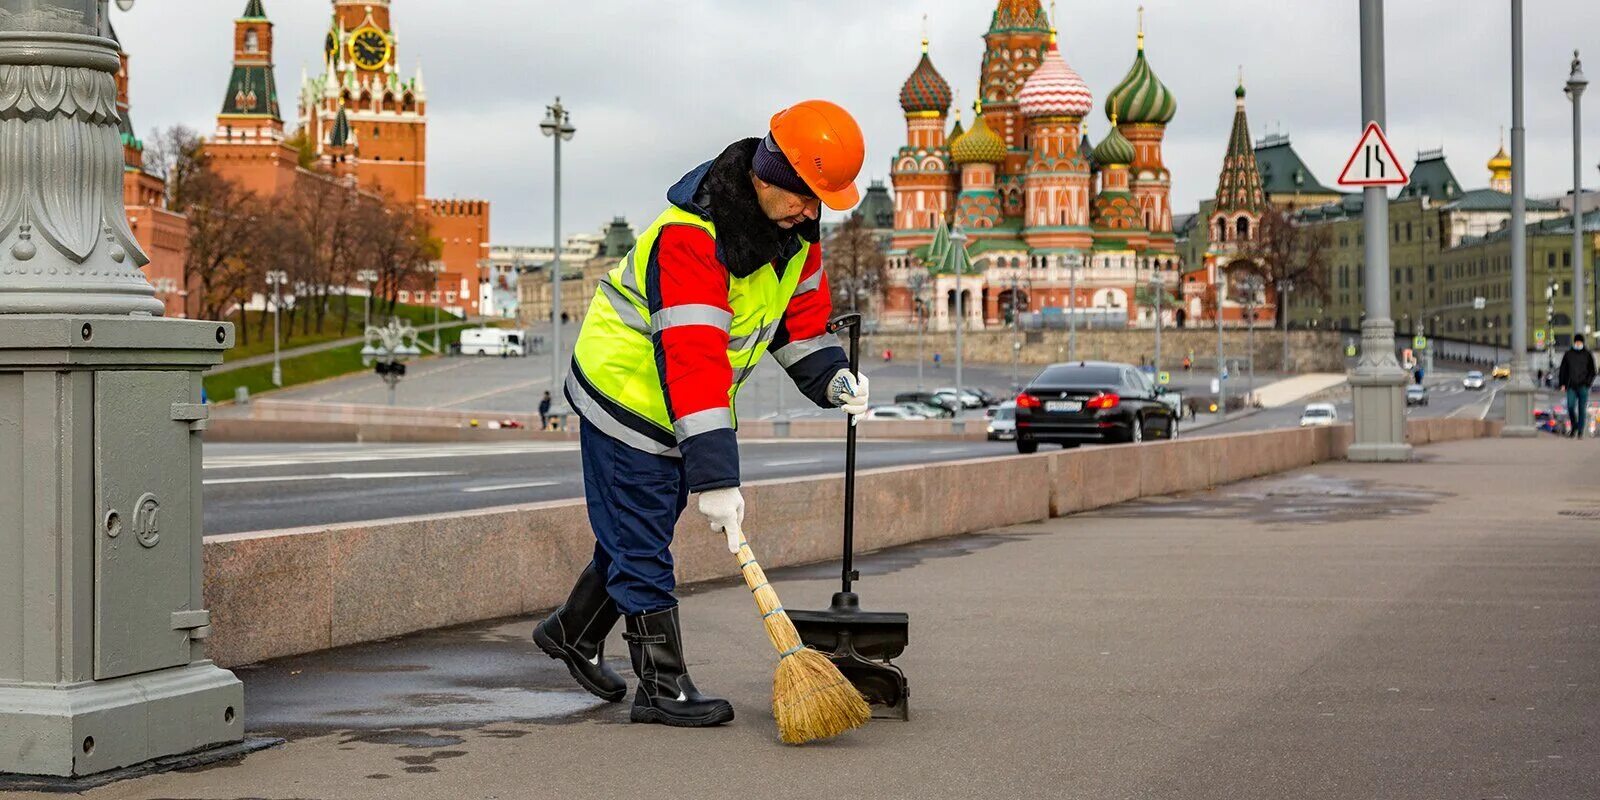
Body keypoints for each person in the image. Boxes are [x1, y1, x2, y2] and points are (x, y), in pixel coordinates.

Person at [532, 100, 870, 729]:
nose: (813, 212)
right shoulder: (691, 238)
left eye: (823, 200)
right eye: (806, 195)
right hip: (628, 395)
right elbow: (694, 360)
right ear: (767, 178)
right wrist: (717, 476)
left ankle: (572, 632)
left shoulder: (794, 232)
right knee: (644, 541)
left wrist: (834, 381)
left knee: (639, 530)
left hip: (677, 404)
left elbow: (798, 326)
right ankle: (661, 685)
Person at [1557, 334, 1596, 438]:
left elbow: (1592, 371)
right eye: (1576, 342)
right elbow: (1563, 370)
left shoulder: (1587, 354)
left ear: (1582, 343)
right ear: (1574, 342)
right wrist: (1562, 384)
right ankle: (1574, 427)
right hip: (1571, 386)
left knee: (1582, 409)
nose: (1578, 343)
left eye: (1580, 342)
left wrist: (1588, 383)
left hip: (1583, 386)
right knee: (1570, 406)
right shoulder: (1568, 354)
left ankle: (1580, 431)